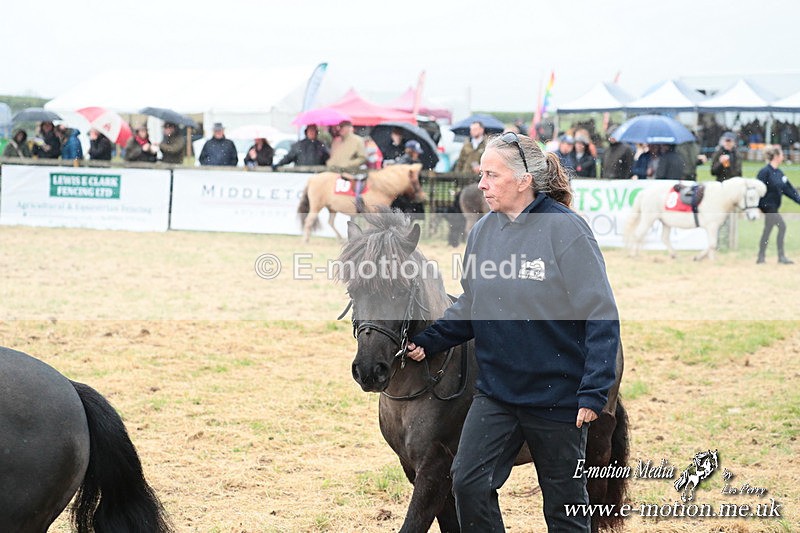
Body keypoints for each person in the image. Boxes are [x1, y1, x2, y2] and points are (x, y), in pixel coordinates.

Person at [406, 132, 619, 532]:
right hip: (497, 394)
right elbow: (472, 303)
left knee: (565, 509)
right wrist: (429, 340)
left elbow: (600, 313)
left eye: (492, 175)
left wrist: (594, 391)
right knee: (468, 484)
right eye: (481, 174)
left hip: (558, 399)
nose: (482, 184)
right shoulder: (483, 232)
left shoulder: (566, 230)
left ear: (524, 180)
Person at [756, 145, 800, 264]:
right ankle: (781, 256)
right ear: (776, 156)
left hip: (774, 207)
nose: (783, 156)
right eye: (781, 154)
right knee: (782, 226)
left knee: (767, 230)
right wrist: (757, 206)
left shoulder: (779, 173)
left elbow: (789, 190)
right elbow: (757, 189)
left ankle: (761, 257)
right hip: (767, 207)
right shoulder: (765, 172)